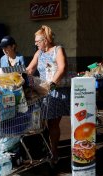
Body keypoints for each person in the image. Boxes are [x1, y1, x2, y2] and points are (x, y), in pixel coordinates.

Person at [26, 25, 69, 166]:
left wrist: (52, 83)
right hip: (41, 92)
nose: (35, 44)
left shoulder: (58, 49)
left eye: (38, 41)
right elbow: (30, 69)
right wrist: (15, 77)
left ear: (46, 40)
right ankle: (45, 149)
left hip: (55, 91)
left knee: (52, 123)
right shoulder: (38, 53)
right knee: (39, 122)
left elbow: (62, 68)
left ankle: (55, 152)